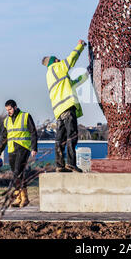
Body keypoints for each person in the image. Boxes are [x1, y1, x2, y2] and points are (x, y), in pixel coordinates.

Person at [42, 40, 89, 173]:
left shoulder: (52, 75)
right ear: (54, 62)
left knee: (60, 139)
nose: (59, 59)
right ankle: (71, 163)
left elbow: (73, 83)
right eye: (57, 59)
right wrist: (80, 46)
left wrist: (86, 74)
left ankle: (59, 165)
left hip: (59, 111)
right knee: (72, 136)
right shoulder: (56, 68)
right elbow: (71, 59)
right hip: (68, 107)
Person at [0, 100, 37, 207]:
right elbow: (4, 138)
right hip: (11, 149)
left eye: (10, 109)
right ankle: (19, 197)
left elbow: (33, 132)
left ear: (15, 107)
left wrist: (34, 147)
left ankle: (24, 197)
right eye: (6, 110)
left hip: (23, 147)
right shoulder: (6, 121)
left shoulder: (25, 116)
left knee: (17, 172)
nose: (8, 111)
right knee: (16, 174)